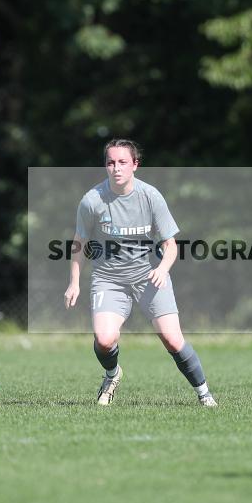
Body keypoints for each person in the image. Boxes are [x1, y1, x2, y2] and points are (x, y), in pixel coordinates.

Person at [64, 139, 217, 407]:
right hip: (109, 280)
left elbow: (171, 246)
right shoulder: (92, 201)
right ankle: (112, 375)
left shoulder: (150, 197)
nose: (116, 168)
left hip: (149, 277)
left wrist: (162, 268)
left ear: (135, 165)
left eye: (123, 162)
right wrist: (74, 282)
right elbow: (79, 244)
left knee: (172, 339)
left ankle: (204, 394)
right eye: (111, 162)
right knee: (104, 339)